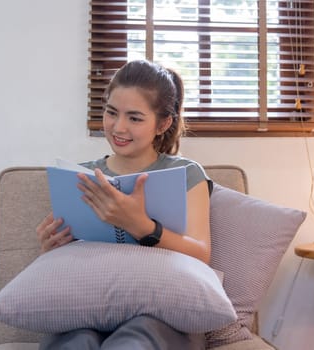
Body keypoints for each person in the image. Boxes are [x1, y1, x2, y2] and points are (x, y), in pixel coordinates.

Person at [35, 60, 213, 350]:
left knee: (135, 341)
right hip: (87, 305)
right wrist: (48, 248)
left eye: (135, 118)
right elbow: (63, 257)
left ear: (163, 124)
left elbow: (201, 254)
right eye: (111, 112)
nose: (119, 127)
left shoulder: (187, 174)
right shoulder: (79, 175)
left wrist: (140, 226)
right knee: (76, 342)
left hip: (160, 311)